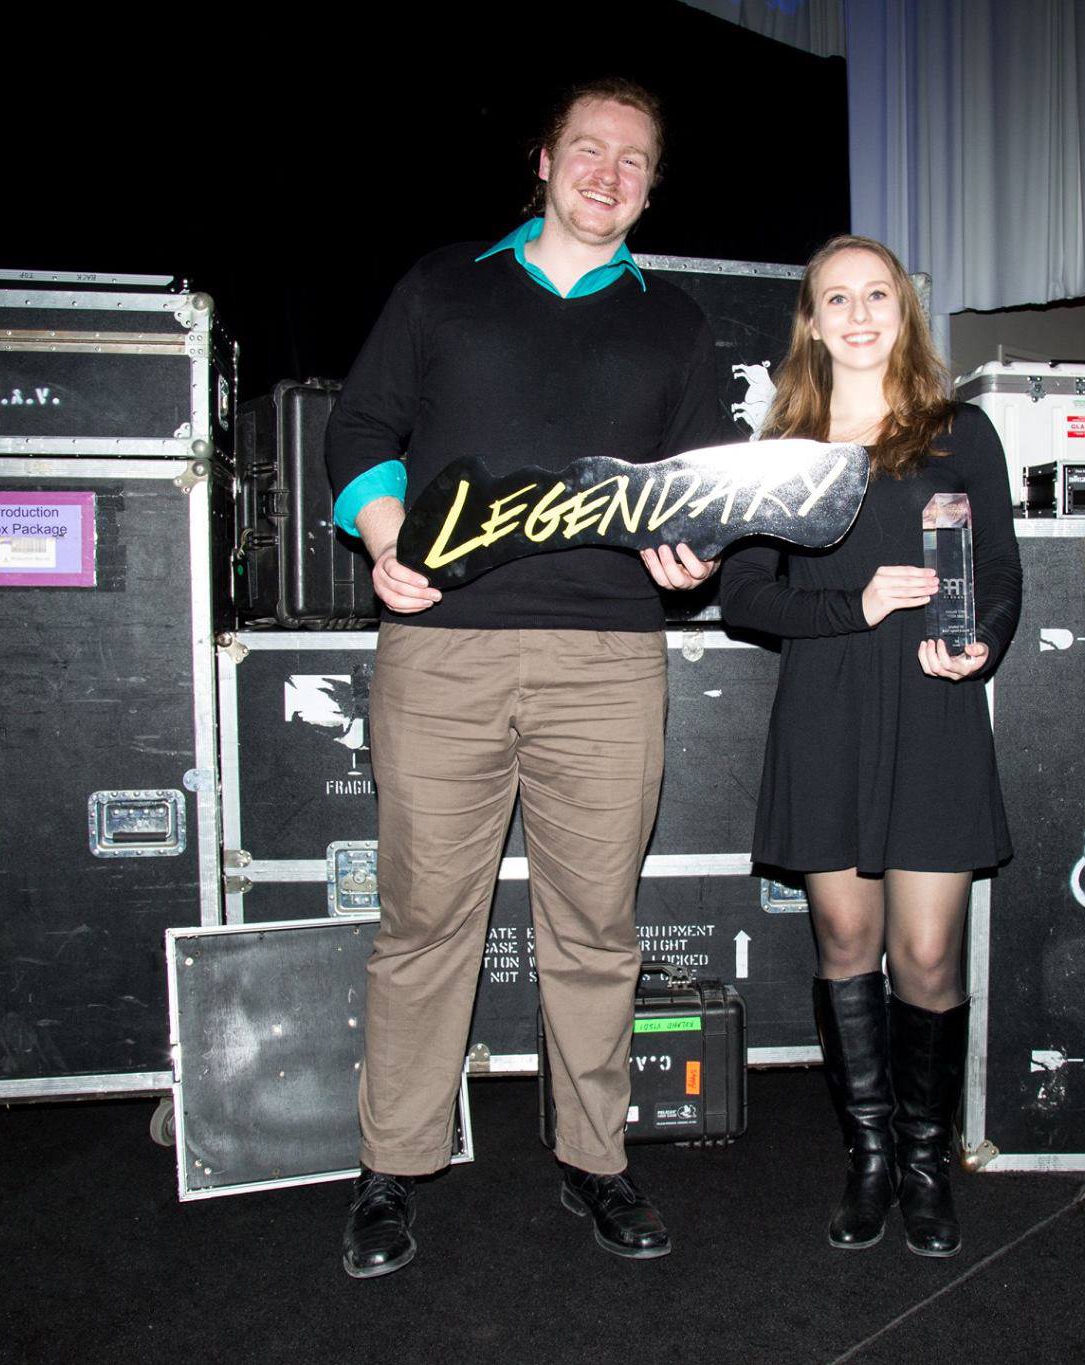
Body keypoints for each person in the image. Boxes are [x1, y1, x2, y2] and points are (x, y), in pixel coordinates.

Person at [322, 77, 726, 1279]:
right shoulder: (444, 285)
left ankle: (594, 1161)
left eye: (635, 161)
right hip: (441, 650)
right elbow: (358, 433)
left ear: (651, 185)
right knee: (423, 924)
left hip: (607, 660)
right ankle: (392, 1165)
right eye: (589, 150)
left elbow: (695, 496)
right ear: (544, 161)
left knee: (595, 930)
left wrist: (692, 548)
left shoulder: (677, 326)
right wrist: (388, 539)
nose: (609, 173)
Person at [718, 235, 1020, 1257]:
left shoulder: (959, 432)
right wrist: (854, 603)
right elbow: (743, 597)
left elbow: (1002, 575)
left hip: (931, 708)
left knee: (926, 952)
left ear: (904, 311)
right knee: (847, 945)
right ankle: (869, 1159)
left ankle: (927, 1168)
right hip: (827, 707)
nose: (856, 314)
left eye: (875, 295)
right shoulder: (782, 448)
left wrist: (978, 646)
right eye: (834, 298)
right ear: (808, 320)